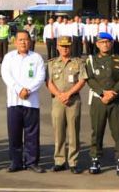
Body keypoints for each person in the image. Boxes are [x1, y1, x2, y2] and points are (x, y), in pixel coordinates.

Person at [0, 31, 46, 173]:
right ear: (15, 42)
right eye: (20, 40)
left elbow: (40, 77)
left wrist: (29, 90)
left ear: (30, 42)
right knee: (14, 134)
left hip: (31, 102)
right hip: (14, 101)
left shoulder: (37, 58)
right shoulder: (9, 57)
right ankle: (16, 162)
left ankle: (32, 161)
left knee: (32, 134)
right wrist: (19, 89)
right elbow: (6, 75)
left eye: (26, 40)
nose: (23, 42)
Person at [86, 32, 119, 177]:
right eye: (102, 42)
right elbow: (90, 79)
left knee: (118, 132)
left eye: (107, 42)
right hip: (98, 100)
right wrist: (102, 93)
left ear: (111, 43)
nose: (105, 44)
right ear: (97, 44)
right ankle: (95, 159)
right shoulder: (91, 60)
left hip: (116, 101)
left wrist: (112, 93)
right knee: (97, 131)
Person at [47, 37, 87, 173]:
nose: (65, 48)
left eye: (67, 46)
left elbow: (82, 80)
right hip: (58, 100)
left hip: (73, 100)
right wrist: (59, 95)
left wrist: (68, 94)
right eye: (62, 46)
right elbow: (49, 82)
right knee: (58, 131)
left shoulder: (78, 62)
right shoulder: (51, 63)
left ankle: (73, 162)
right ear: (57, 47)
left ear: (71, 47)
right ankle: (59, 161)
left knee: (73, 131)